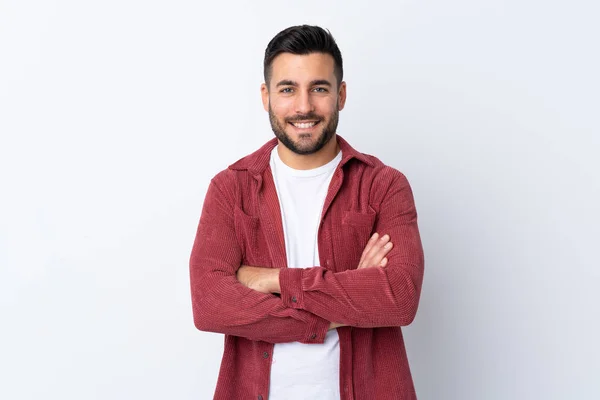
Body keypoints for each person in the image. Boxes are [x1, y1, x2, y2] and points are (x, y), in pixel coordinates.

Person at [189, 25, 424, 400]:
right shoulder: (230, 189)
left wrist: (276, 280)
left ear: (341, 95)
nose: (303, 107)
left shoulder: (384, 186)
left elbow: (399, 298)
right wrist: (348, 303)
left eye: (319, 88)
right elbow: (209, 305)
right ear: (266, 97)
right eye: (287, 89)